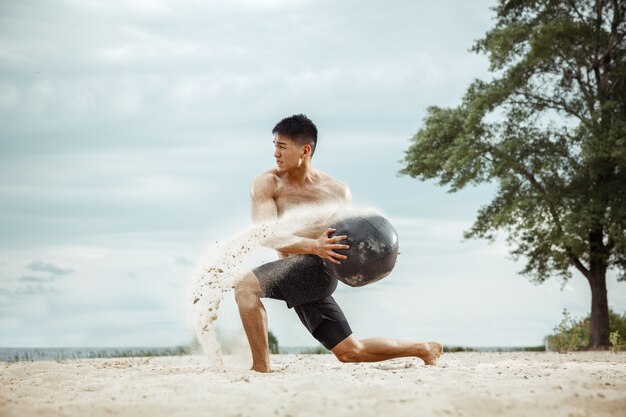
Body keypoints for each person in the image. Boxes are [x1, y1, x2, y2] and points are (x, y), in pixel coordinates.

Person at [234, 114, 443, 372]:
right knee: (349, 351)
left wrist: (383, 251)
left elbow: (356, 233)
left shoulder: (336, 191)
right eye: (274, 145)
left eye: (282, 146)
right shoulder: (267, 183)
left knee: (245, 287)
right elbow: (264, 234)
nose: (275, 153)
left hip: (318, 270)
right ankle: (424, 349)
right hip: (295, 270)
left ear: (305, 150)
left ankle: (260, 368)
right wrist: (313, 245)